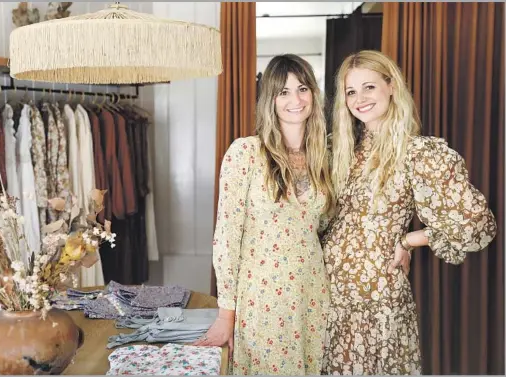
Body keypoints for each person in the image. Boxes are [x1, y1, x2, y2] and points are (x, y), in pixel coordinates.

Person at [322, 49, 497, 375]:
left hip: (378, 297)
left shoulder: (418, 152)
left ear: (391, 86)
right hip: (328, 296)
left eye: (369, 87)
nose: (360, 98)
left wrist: (409, 240)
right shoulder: (338, 149)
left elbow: (478, 225)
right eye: (351, 91)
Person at [193, 54, 335, 375]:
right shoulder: (246, 153)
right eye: (283, 92)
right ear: (270, 100)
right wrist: (226, 315)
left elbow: (325, 229)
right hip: (263, 302)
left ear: (313, 92)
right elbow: (227, 239)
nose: (295, 100)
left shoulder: (324, 158)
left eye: (302, 88)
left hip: (313, 299)